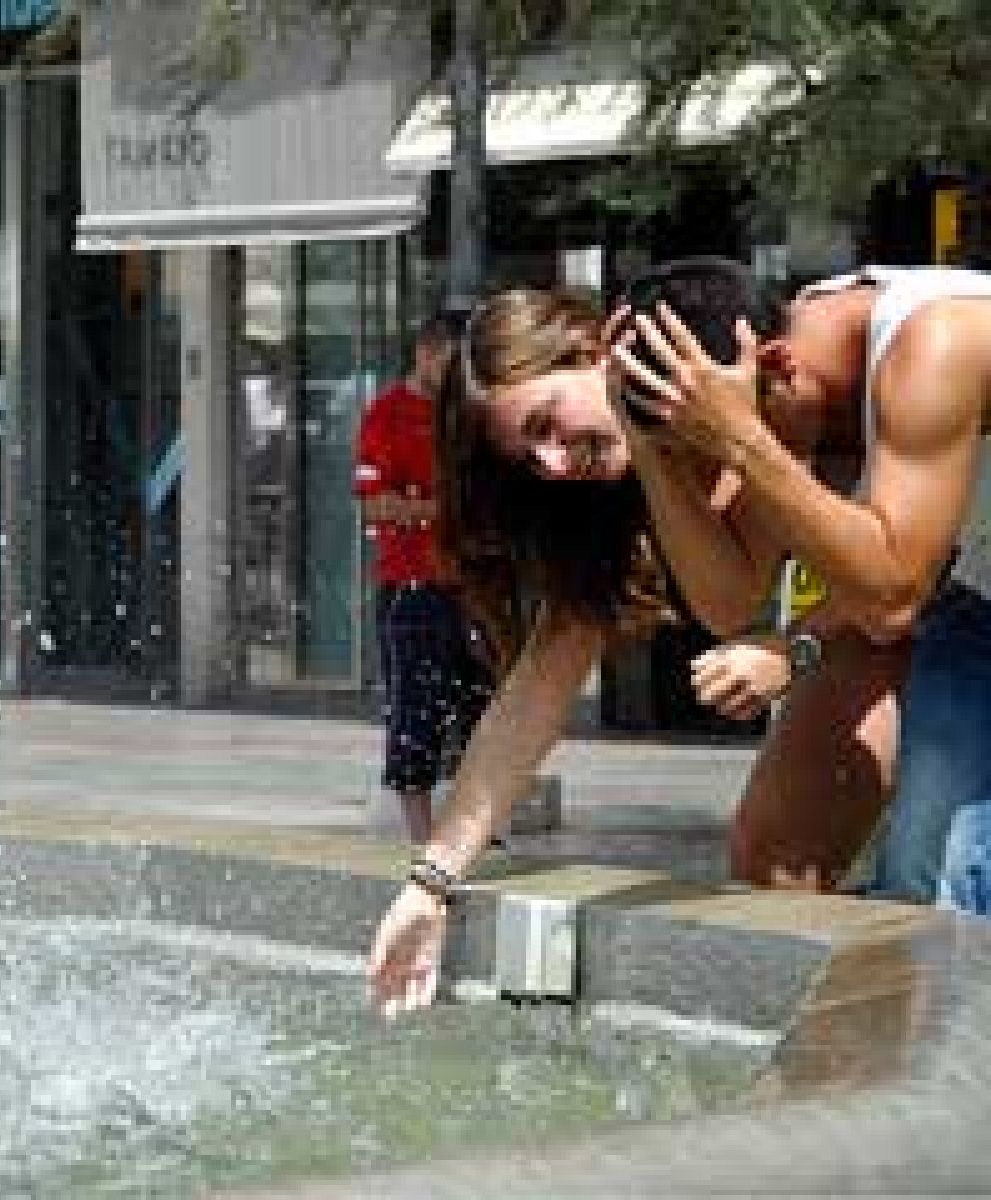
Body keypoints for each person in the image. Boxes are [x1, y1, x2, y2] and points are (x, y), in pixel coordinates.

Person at [365, 258, 920, 1017]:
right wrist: (430, 884)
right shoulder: (626, 478)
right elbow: (538, 689)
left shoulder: (740, 363)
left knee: (943, 860)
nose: (556, 463)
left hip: (920, 572)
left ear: (596, 350)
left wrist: (791, 649)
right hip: (901, 597)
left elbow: (889, 586)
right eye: (532, 458)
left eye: (545, 425)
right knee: (774, 852)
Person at [618, 265, 991, 913]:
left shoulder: (939, 337)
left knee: (947, 888)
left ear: (779, 365)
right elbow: (728, 600)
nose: (725, 479)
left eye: (721, 444)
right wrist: (648, 448)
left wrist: (742, 438)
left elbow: (893, 595)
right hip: (958, 594)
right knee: (778, 855)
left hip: (925, 591)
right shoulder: (780, 381)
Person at [353, 313, 495, 843]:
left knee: (482, 704)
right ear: (425, 352)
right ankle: (421, 833)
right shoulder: (386, 415)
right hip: (410, 585)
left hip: (473, 585)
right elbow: (374, 507)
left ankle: (477, 823)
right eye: (451, 362)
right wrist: (443, 511)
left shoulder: (467, 414)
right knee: (415, 709)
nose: (459, 375)